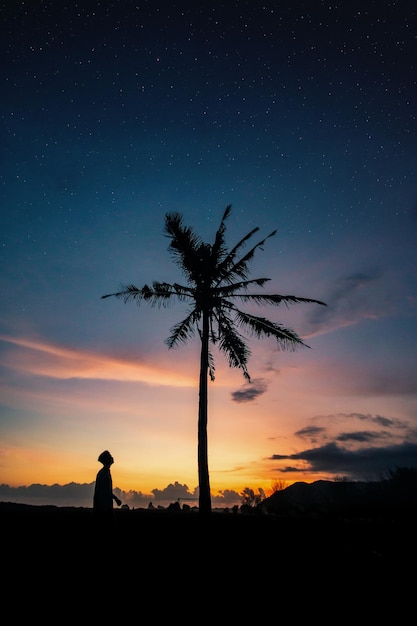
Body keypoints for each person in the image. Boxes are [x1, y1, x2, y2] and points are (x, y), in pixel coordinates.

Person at [93, 450, 122, 530]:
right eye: (110, 456)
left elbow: (106, 491)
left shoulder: (105, 472)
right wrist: (116, 499)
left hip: (105, 506)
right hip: (104, 507)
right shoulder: (103, 473)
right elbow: (104, 491)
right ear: (108, 460)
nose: (112, 457)